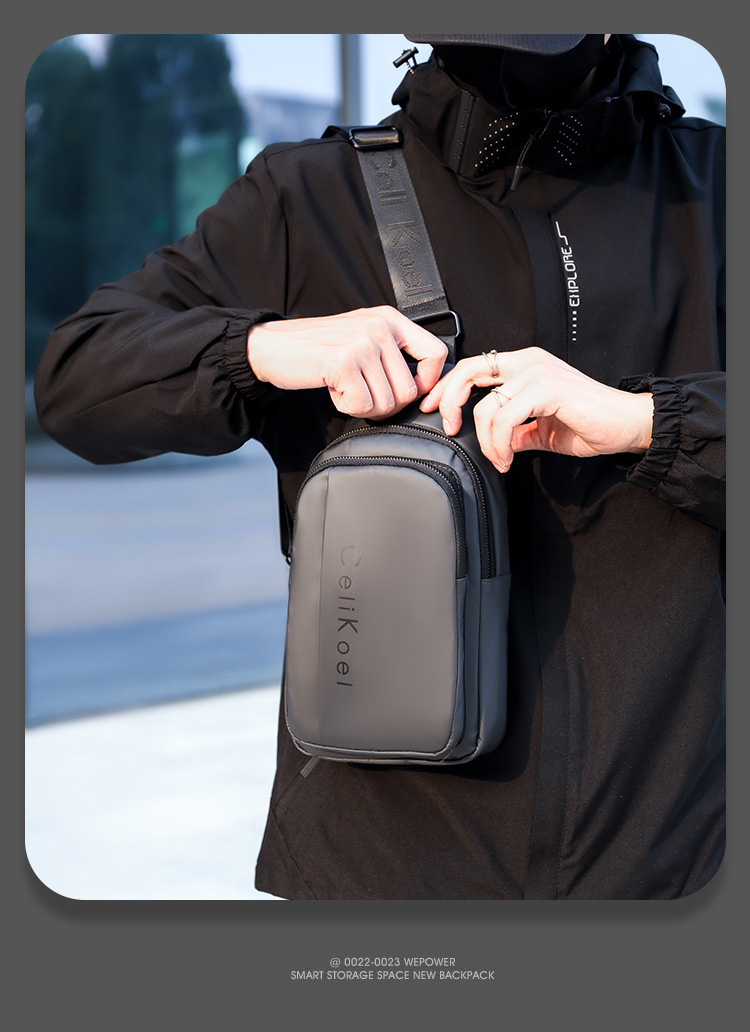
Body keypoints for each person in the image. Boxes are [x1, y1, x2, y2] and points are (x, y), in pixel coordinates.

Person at [34, 34, 725, 900]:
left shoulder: (714, 190)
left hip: (673, 867)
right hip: (380, 876)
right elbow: (77, 381)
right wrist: (261, 348)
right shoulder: (310, 198)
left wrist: (646, 422)